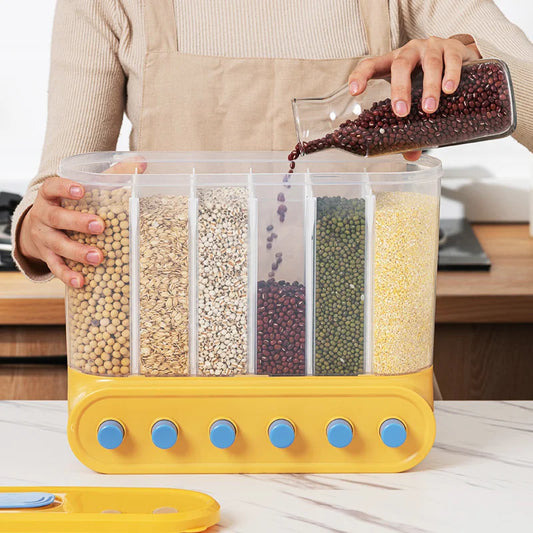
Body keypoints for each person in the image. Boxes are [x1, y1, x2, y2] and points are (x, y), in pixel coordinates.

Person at [12, 0, 533, 287]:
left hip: (365, 350)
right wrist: (40, 225)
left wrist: (469, 58)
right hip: (177, 346)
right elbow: (58, 189)